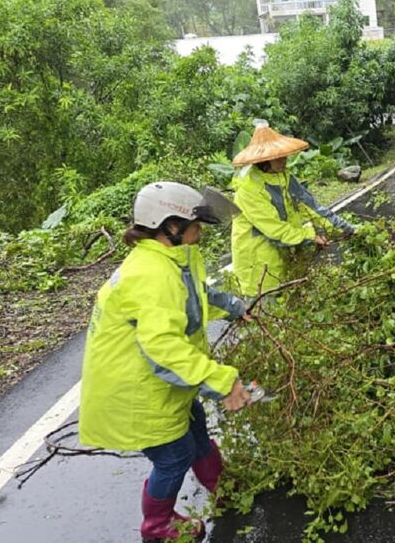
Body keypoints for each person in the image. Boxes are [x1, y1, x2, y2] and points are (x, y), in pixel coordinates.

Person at [79, 181, 253, 542]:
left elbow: (196, 295)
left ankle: (224, 487)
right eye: (195, 223)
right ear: (169, 226)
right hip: (136, 390)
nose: (200, 230)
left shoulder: (173, 258)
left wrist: (236, 306)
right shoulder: (151, 275)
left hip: (162, 383)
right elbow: (164, 350)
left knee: (196, 428)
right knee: (174, 456)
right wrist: (222, 381)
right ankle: (157, 525)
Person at [230, 120, 355, 295]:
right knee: (269, 313)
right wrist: (310, 236)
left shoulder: (284, 177)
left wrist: (344, 228)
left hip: (284, 255)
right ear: (264, 160)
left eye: (283, 154)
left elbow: (311, 208)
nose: (284, 159)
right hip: (258, 266)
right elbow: (275, 231)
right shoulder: (249, 190)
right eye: (277, 156)